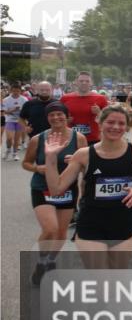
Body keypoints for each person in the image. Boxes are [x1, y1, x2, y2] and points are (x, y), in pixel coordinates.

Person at [41, 105, 132, 269]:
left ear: (126, 127)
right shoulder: (83, 154)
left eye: (121, 124)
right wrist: (51, 158)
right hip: (91, 222)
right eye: (110, 122)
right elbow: (56, 189)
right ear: (100, 123)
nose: (115, 127)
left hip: (123, 222)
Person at [22, 103, 88, 285]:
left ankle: (49, 261)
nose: (56, 118)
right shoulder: (38, 139)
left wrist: (77, 163)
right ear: (47, 118)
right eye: (52, 115)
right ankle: (41, 261)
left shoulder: (79, 138)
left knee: (60, 233)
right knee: (50, 229)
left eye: (60, 114)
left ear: (67, 117)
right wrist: (38, 168)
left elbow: (86, 165)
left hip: (67, 189)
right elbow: (26, 163)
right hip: (42, 187)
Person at [3, 82, 30, 159]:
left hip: (20, 121)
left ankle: (15, 153)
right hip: (10, 120)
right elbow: (4, 112)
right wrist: (13, 109)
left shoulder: (24, 99)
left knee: (17, 139)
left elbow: (27, 111)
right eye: (14, 91)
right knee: (9, 138)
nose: (16, 93)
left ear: (20, 91)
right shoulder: (6, 100)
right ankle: (8, 150)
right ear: (11, 90)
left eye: (17, 91)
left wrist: (22, 111)